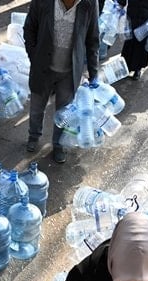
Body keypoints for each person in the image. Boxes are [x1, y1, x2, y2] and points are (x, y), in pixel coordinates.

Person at [24, 0, 100, 164]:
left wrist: (94, 72)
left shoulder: (89, 4)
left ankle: (58, 145)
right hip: (43, 68)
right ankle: (33, 136)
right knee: (37, 107)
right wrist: (34, 56)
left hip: (69, 71)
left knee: (64, 113)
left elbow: (92, 38)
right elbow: (29, 28)